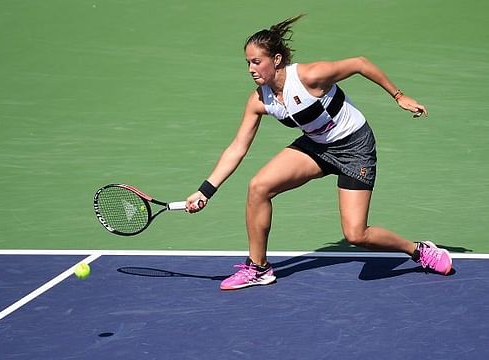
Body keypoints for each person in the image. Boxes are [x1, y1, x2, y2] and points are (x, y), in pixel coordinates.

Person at [185, 15, 452, 290]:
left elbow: (359, 63)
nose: (251, 69)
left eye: (257, 61)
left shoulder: (310, 77)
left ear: (276, 60)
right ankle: (258, 268)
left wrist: (399, 96)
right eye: (248, 63)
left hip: (354, 147)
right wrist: (206, 190)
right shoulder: (259, 100)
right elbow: (237, 147)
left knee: (356, 234)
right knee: (259, 187)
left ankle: (418, 250)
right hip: (317, 145)